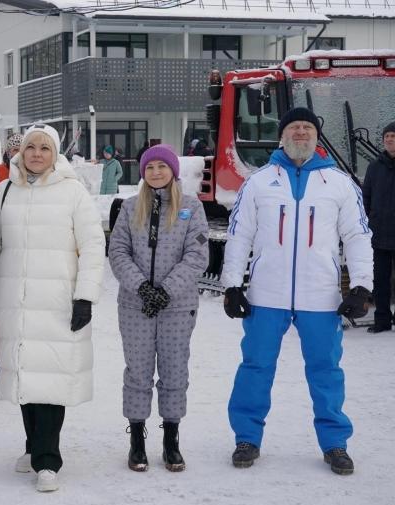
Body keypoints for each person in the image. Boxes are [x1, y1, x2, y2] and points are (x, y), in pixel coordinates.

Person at [221, 107, 373, 476]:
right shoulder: (258, 182)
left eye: (307, 127)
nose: (301, 133)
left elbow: (357, 236)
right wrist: (231, 285)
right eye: (294, 127)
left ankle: (335, 443)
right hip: (266, 295)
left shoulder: (339, 184)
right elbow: (239, 235)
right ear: (283, 136)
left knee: (326, 370)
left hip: (319, 295)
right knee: (255, 367)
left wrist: (362, 285)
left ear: (316, 136)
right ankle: (247, 437)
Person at [0, 124, 105, 492]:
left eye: (44, 148)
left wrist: (85, 295)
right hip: (14, 301)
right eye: (31, 147)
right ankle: (33, 446)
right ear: (20, 153)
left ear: (55, 154)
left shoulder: (73, 193)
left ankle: (48, 459)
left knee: (51, 379)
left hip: (56, 301)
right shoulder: (3, 192)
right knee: (24, 376)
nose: (36, 154)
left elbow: (93, 246)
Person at [109, 144, 208, 472]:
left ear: (173, 171)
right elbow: (118, 251)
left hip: (177, 307)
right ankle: (137, 439)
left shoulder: (191, 209)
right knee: (137, 371)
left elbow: (196, 256)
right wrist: (141, 287)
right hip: (135, 305)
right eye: (149, 168)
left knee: (174, 372)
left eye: (161, 167)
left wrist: (165, 291)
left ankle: (171, 439)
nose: (155, 172)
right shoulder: (129, 207)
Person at [361, 121, 395, 333]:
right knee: (380, 281)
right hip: (379, 234)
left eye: (393, 136)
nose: (389, 139)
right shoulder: (374, 166)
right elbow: (366, 198)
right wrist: (368, 221)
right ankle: (382, 320)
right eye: (387, 136)